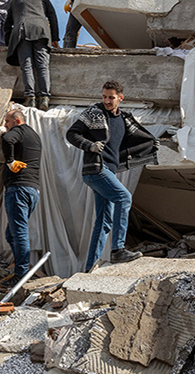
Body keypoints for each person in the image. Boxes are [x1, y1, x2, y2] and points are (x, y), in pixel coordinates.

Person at [66, 81, 159, 272]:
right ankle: (118, 249)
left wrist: (154, 144)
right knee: (124, 197)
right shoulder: (94, 113)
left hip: (108, 170)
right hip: (96, 169)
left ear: (120, 98)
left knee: (103, 221)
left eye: (111, 97)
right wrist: (89, 145)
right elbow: (71, 134)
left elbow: (138, 138)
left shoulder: (125, 119)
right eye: (104, 97)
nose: (107, 101)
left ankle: (90, 268)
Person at [0, 109, 42, 286]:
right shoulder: (34, 135)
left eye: (7, 122)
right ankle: (20, 267)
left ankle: (21, 274)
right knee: (11, 234)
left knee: (19, 233)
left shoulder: (19, 130)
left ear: (16, 121)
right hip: (32, 191)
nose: (6, 125)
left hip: (18, 189)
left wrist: (10, 160)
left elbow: (8, 139)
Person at [3, 0, 59, 110]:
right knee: (42, 66)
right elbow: (53, 17)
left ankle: (30, 98)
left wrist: (8, 44)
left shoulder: (15, 1)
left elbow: (7, 25)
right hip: (41, 31)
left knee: (26, 66)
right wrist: (55, 38)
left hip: (22, 34)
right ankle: (44, 98)